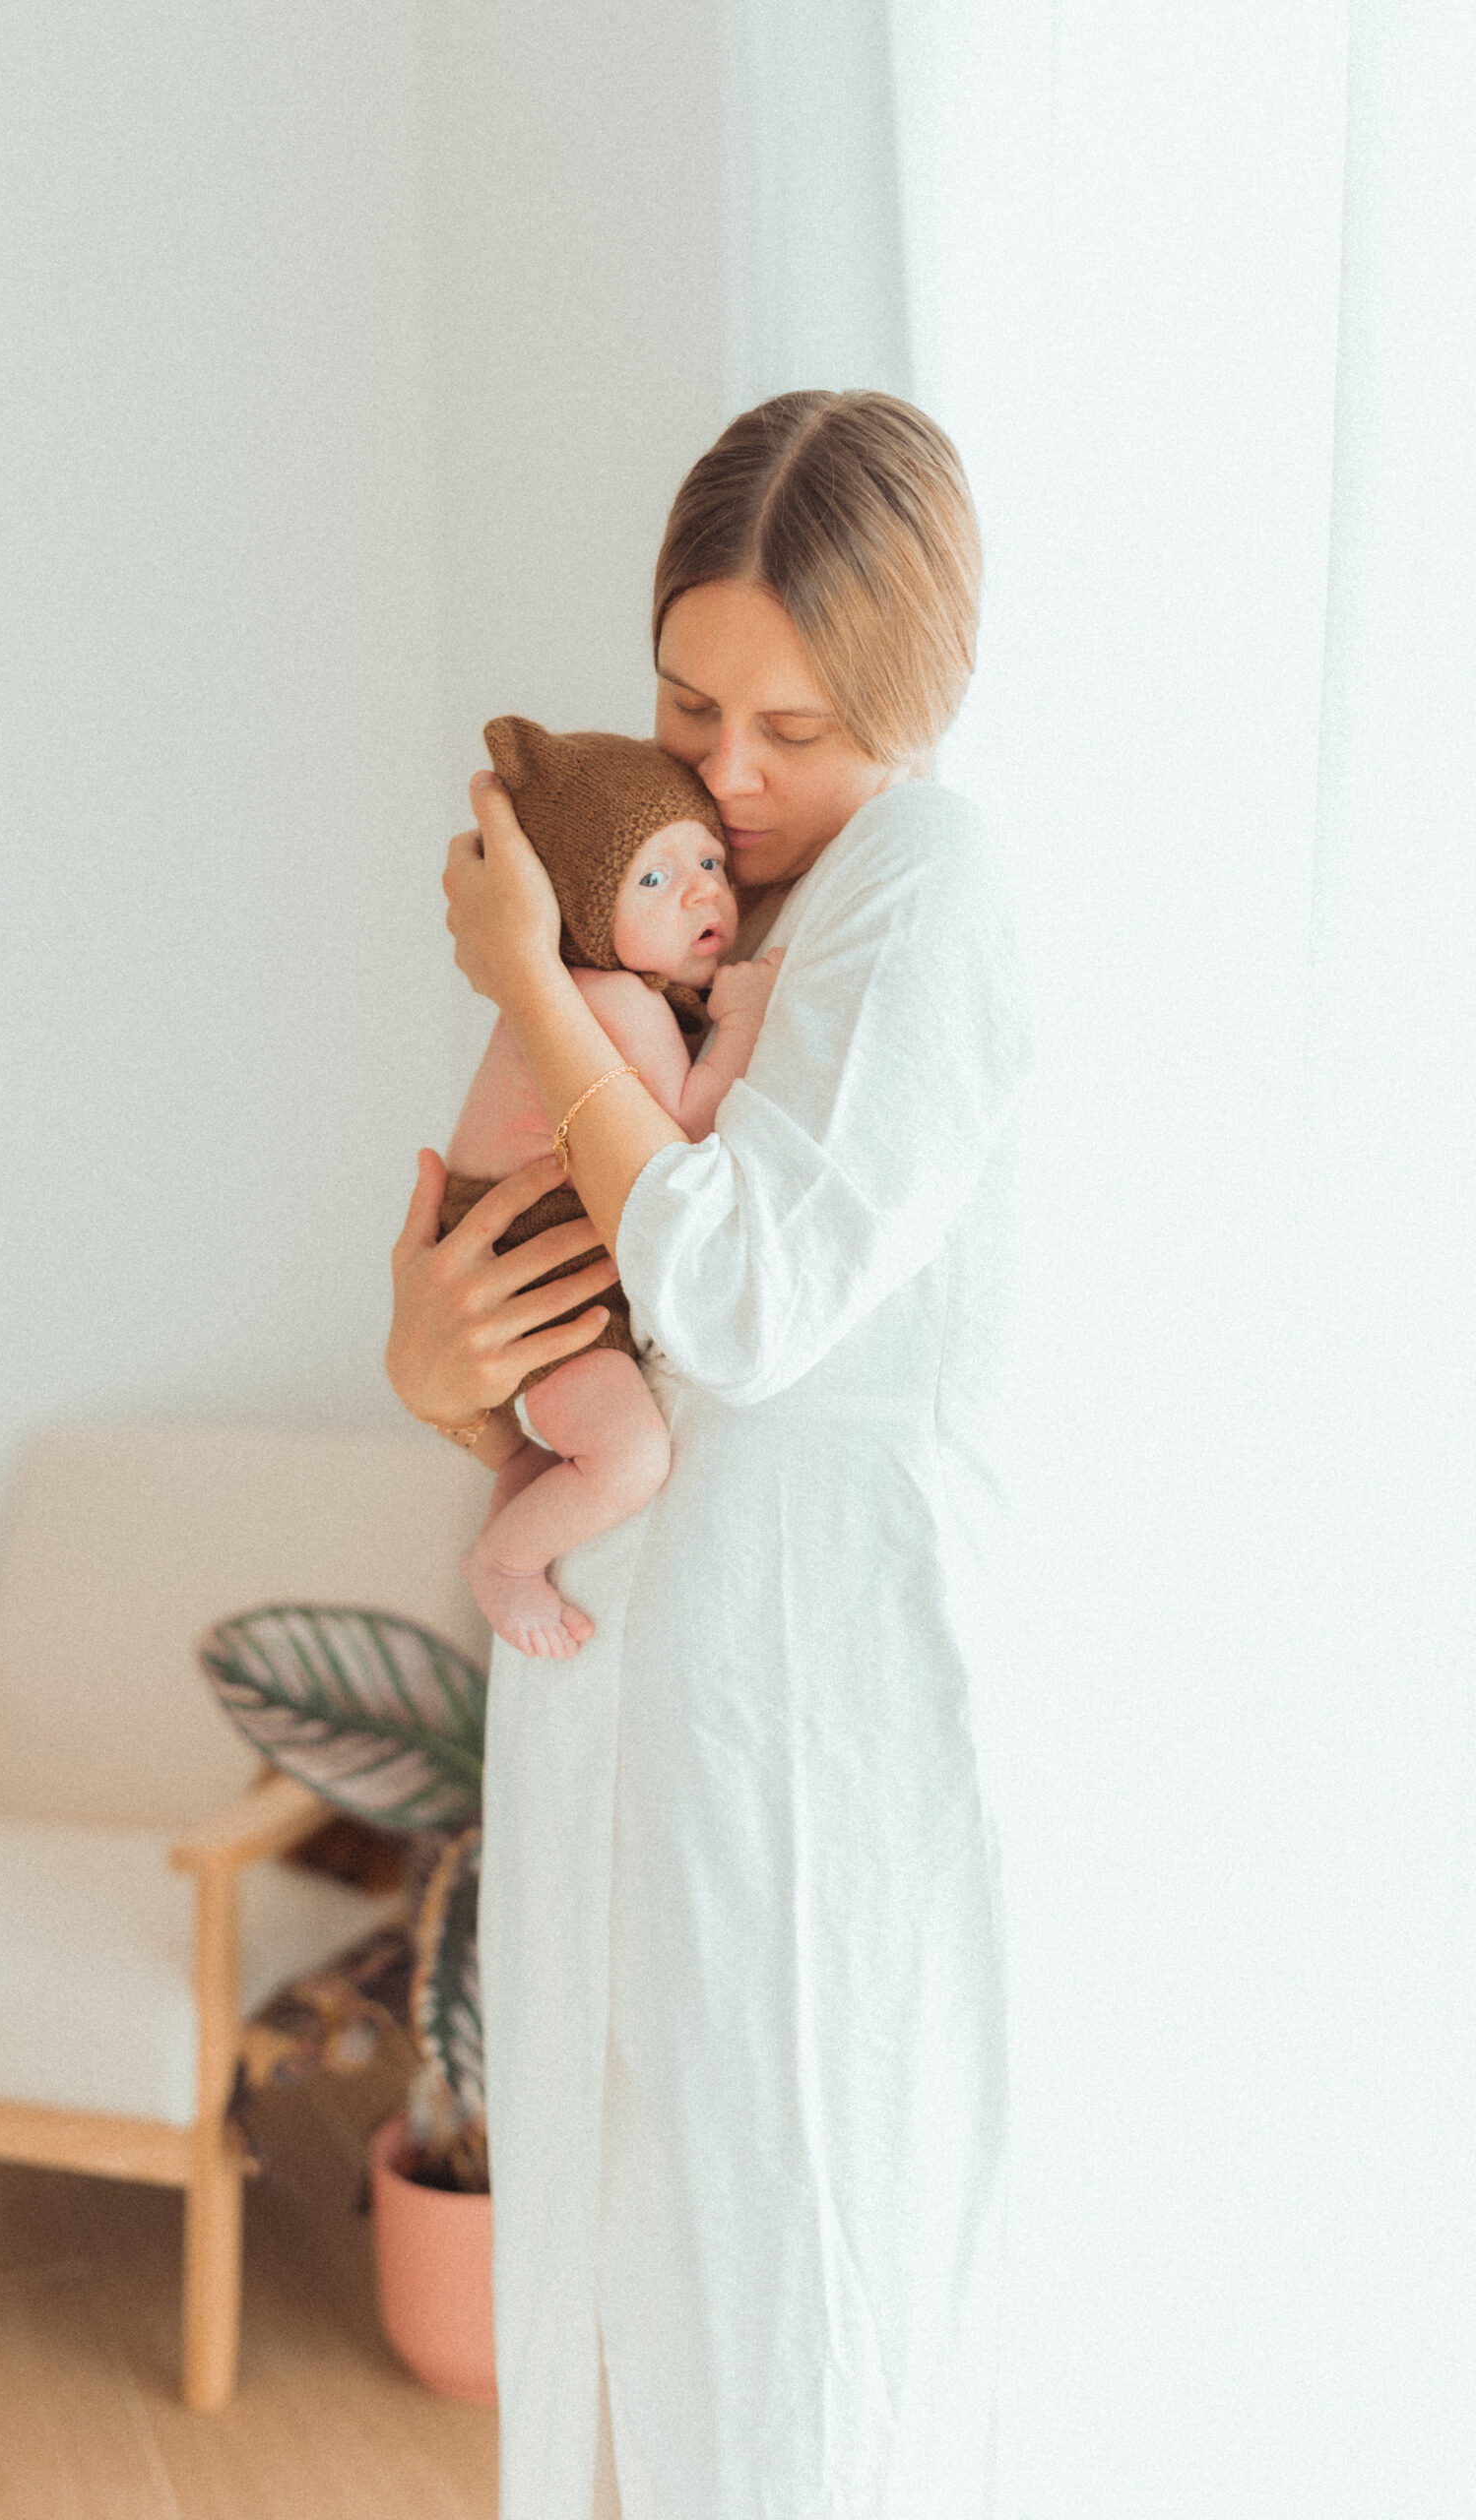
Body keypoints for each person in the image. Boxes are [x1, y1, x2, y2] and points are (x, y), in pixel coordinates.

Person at [386, 390, 1030, 2520]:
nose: (730, 779)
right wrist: (431, 1356)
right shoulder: (697, 897)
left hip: (805, 1706)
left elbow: (744, 1294)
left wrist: (526, 986)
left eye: (796, 729)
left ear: (914, 698)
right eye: (689, 704)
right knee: (619, 2271)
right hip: (619, 1675)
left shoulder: (920, 889)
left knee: (787, 2306)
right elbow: (551, 1272)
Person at [438, 717, 782, 1659]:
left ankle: (514, 1509)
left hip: (528, 1263)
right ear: (581, 912)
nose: (702, 892)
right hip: (531, 1275)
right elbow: (684, 1135)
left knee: (565, 1451)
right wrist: (744, 1018)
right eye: (655, 880)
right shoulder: (612, 1000)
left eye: (707, 861)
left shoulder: (606, 998)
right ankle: (502, 1567)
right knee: (630, 1458)